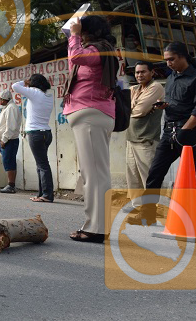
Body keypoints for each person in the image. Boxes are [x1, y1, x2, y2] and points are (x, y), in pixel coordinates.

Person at [133, 42, 196, 225]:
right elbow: (175, 101)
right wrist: (164, 104)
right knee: (154, 173)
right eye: (166, 60)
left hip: (188, 133)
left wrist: (185, 130)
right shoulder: (172, 77)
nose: (168, 63)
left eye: (171, 59)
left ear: (183, 56)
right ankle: (148, 214)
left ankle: (191, 218)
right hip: (168, 131)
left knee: (191, 176)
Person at [63, 15, 118, 243]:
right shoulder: (98, 49)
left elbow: (76, 57)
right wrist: (72, 35)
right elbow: (74, 59)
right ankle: (97, 225)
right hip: (89, 115)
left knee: (95, 175)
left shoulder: (100, 50)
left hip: (92, 114)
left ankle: (96, 228)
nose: (79, 35)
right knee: (92, 173)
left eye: (82, 31)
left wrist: (74, 35)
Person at [124, 61, 164, 212]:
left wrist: (130, 108)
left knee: (149, 176)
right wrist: (131, 107)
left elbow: (140, 111)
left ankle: (151, 207)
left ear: (152, 72)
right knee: (133, 176)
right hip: (131, 138)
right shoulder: (135, 89)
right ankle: (137, 206)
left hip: (147, 139)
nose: (139, 75)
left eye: (143, 72)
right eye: (137, 72)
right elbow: (123, 106)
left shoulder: (156, 87)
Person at [12, 74, 55, 200]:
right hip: (46, 133)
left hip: (35, 133)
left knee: (42, 165)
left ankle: (47, 195)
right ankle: (42, 194)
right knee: (41, 164)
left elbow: (15, 86)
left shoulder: (34, 92)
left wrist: (24, 81)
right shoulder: (48, 95)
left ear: (33, 82)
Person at [0, 89, 22, 194]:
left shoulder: (11, 108)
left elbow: (11, 127)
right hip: (7, 140)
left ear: (5, 99)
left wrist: (4, 139)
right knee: (9, 162)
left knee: (9, 162)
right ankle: (10, 185)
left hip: (9, 140)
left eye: (0, 98)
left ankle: (11, 185)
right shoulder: (8, 108)